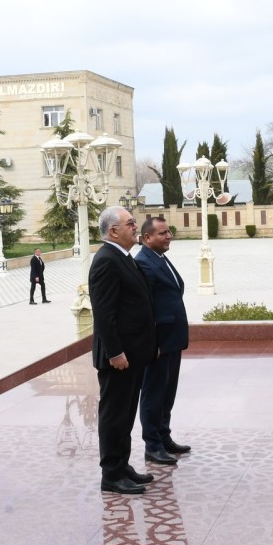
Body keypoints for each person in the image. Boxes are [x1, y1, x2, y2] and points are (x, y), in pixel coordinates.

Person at [88, 206, 157, 495]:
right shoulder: (105, 260)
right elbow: (104, 313)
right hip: (118, 358)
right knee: (114, 415)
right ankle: (111, 474)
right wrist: (115, 352)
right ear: (113, 231)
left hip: (132, 356)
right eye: (130, 224)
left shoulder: (123, 257)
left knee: (125, 414)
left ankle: (122, 465)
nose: (135, 227)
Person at [135, 216, 191, 465]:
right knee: (153, 393)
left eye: (168, 232)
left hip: (172, 339)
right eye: (162, 233)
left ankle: (164, 436)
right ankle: (153, 445)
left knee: (168, 392)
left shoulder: (160, 258)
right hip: (157, 342)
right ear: (147, 238)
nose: (168, 236)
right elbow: (143, 308)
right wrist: (151, 342)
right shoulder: (143, 263)